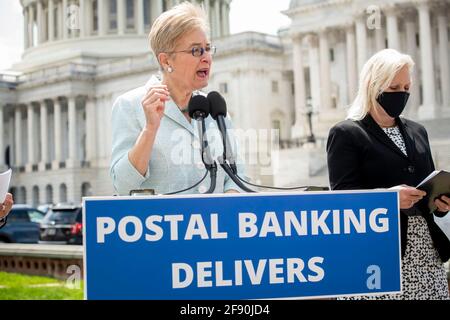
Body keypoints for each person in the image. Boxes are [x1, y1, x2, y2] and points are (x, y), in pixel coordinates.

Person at [326, 49, 450, 300]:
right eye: (394, 88)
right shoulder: (346, 133)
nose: (402, 94)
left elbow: (428, 185)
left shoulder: (418, 130)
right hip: (377, 254)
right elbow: (341, 199)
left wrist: (441, 204)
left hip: (425, 253)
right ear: (374, 86)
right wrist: (387, 199)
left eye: (406, 87)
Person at [110, 2, 245, 196]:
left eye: (208, 48)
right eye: (196, 50)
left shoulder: (216, 110)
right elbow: (122, 187)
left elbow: (238, 177)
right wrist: (150, 130)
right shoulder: (130, 106)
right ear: (166, 61)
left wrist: (226, 207)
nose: (206, 57)